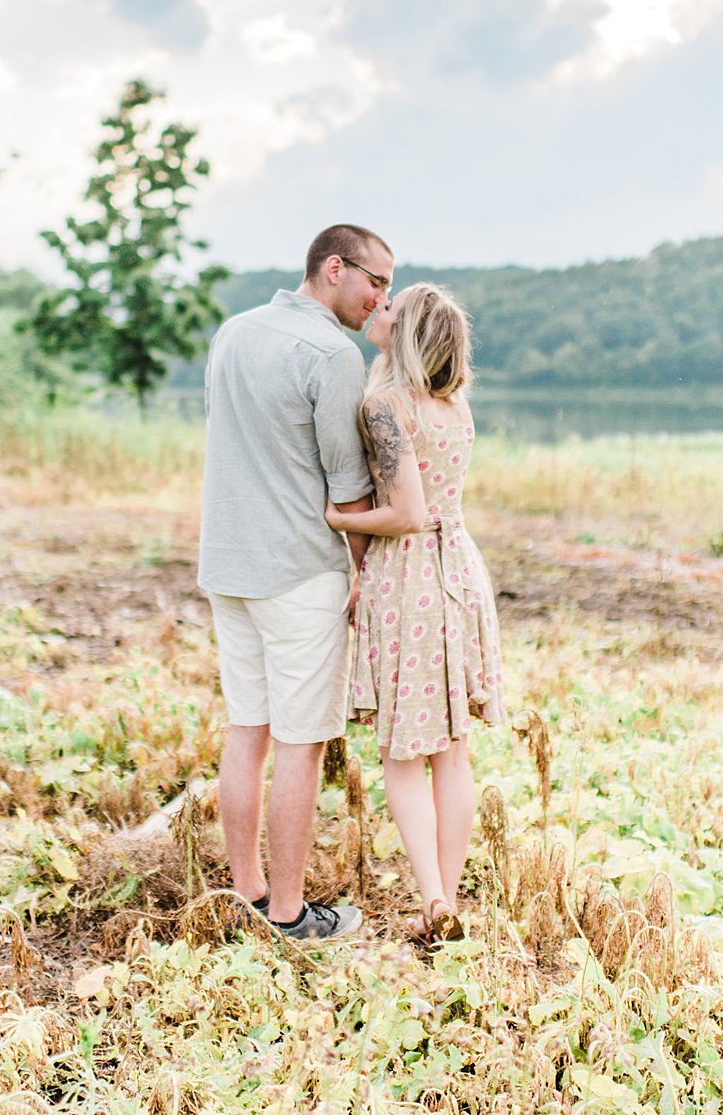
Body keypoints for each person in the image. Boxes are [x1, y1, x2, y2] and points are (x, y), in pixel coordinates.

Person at [198, 223, 395, 943]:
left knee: (247, 727)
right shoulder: (332, 354)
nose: (382, 298)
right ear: (334, 267)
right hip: (296, 572)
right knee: (302, 742)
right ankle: (288, 913)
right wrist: (371, 562)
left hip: (227, 562)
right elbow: (347, 494)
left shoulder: (234, 331)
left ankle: (247, 890)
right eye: (376, 280)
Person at [325, 282, 506, 941]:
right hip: (458, 568)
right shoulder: (454, 407)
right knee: (452, 753)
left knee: (404, 754)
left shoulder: (384, 405)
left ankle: (432, 898)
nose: (380, 309)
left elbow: (406, 513)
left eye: (391, 309)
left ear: (403, 334)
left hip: (411, 580)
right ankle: (448, 894)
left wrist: (337, 515)